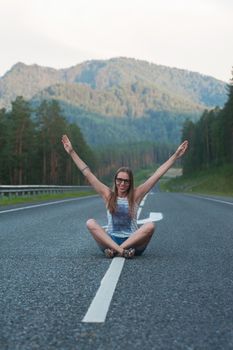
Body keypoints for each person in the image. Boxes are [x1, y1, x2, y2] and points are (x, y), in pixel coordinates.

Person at [62, 135, 188, 259]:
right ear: (115, 180)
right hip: (110, 241)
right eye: (119, 180)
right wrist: (72, 152)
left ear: (130, 182)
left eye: (126, 181)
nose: (122, 183)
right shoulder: (108, 195)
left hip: (133, 243)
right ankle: (121, 251)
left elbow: (157, 174)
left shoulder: (136, 195)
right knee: (90, 223)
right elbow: (87, 173)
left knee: (150, 225)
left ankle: (116, 251)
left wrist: (175, 156)